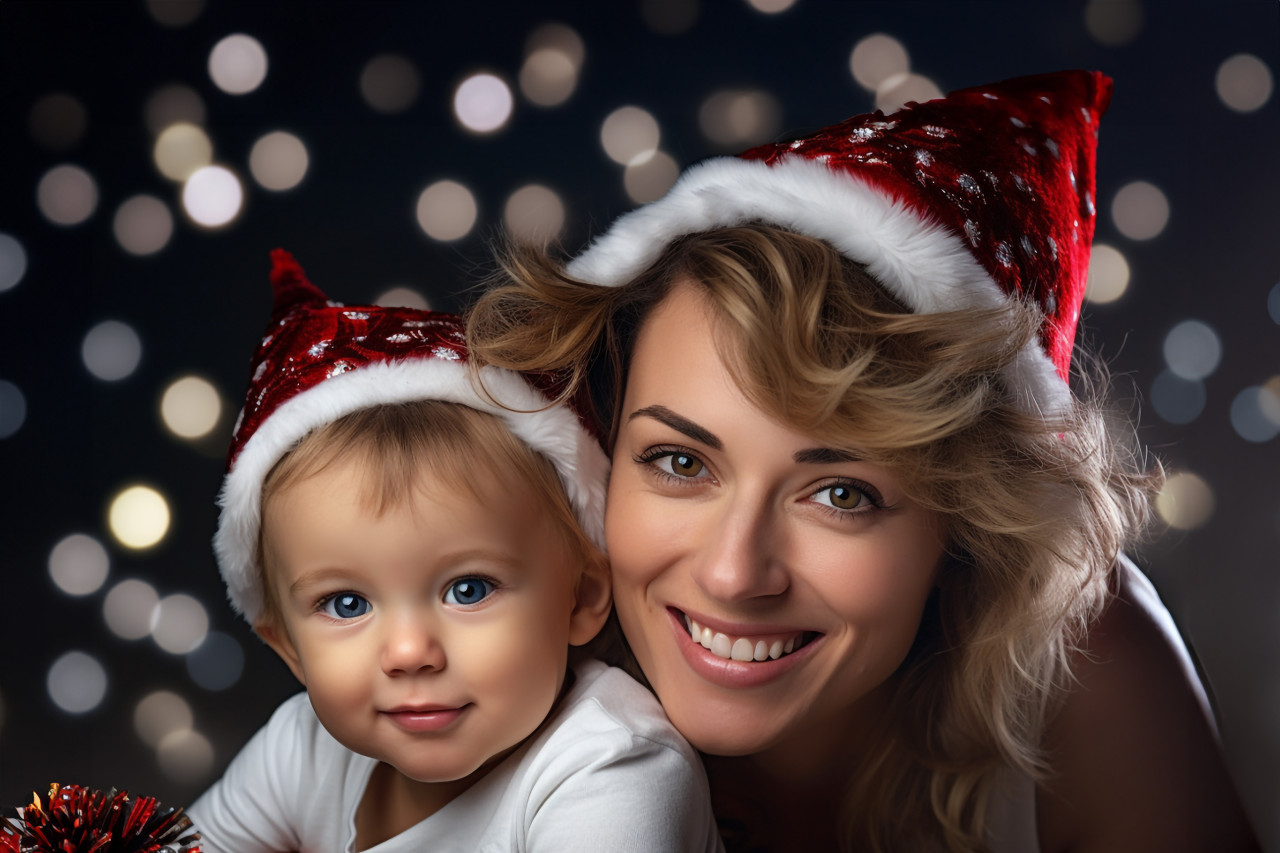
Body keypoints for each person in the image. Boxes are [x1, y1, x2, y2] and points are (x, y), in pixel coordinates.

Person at [466, 71, 1261, 851]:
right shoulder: (450, 660)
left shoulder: (1086, 657)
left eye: (842, 493)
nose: (734, 574)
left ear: (968, 525)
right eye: (679, 462)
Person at [188, 250, 722, 853]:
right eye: (345, 604)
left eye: (468, 589)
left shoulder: (613, 766)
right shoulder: (305, 749)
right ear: (286, 646)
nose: (410, 653)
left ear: (581, 597)